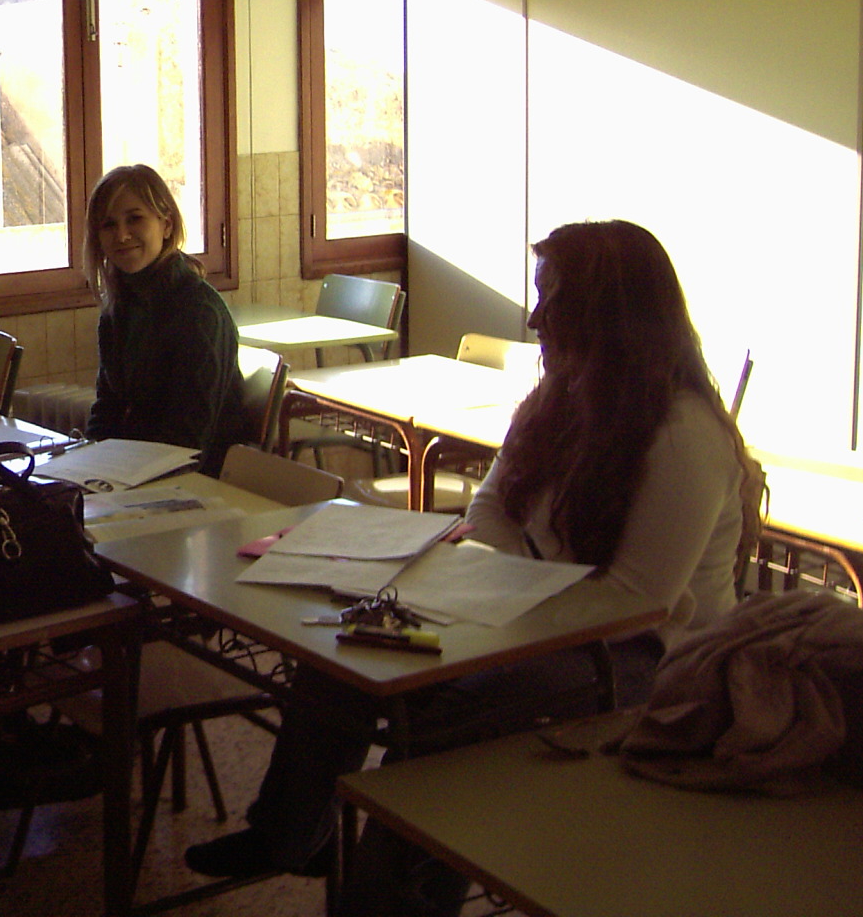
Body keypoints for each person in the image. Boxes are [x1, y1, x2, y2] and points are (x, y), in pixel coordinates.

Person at [186, 219, 764, 914]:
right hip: (534, 609)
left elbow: (635, 602)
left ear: (611, 316)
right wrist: (494, 593)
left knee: (451, 726)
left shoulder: (684, 435)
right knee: (342, 656)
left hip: (646, 658)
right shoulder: (559, 399)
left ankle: (391, 901)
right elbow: (488, 509)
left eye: (554, 299)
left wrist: (494, 611)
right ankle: (289, 837)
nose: (535, 318)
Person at [83, 163, 245, 476]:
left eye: (135, 219)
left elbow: (187, 440)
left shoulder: (199, 313)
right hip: (137, 469)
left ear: (166, 225)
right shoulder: (118, 310)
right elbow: (108, 410)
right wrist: (86, 463)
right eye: (108, 224)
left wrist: (119, 473)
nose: (122, 235)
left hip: (200, 481)